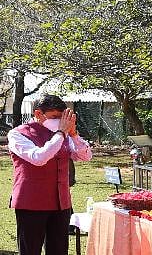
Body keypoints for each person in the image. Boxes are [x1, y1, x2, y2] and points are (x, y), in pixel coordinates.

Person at [7, 94, 92, 255]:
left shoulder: (64, 133)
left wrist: (73, 134)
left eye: (62, 117)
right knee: (30, 250)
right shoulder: (17, 134)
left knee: (59, 250)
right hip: (31, 203)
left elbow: (85, 156)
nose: (60, 121)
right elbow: (39, 158)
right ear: (38, 114)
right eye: (54, 117)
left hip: (60, 203)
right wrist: (61, 133)